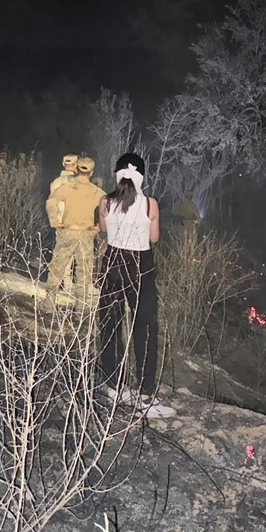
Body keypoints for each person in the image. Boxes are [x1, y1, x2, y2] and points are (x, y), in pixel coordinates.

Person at [97, 153, 175, 419]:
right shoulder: (149, 205)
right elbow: (154, 238)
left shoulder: (105, 202)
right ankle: (144, 395)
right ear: (141, 176)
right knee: (145, 327)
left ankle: (112, 386)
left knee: (110, 323)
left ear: (117, 175)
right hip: (140, 264)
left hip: (113, 262)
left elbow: (104, 231)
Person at [44, 156, 105, 302]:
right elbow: (109, 209)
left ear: (77, 169)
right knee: (84, 273)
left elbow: (51, 201)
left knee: (57, 268)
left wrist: (55, 221)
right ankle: (80, 309)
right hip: (86, 233)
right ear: (91, 172)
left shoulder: (68, 187)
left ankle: (49, 304)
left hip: (68, 231)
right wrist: (99, 227)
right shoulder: (97, 192)